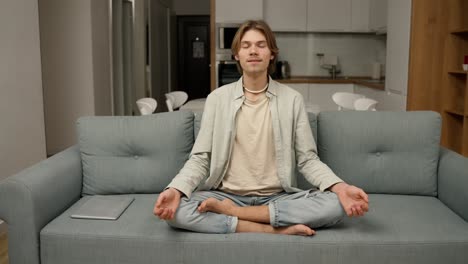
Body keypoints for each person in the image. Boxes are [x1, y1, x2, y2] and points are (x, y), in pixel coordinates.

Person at [153, 20, 369, 236]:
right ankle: (269, 228)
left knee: (336, 205)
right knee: (177, 211)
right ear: (236, 54)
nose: (253, 51)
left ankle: (236, 214)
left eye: (261, 45)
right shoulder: (217, 99)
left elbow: (307, 160)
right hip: (225, 194)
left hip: (277, 197)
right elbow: (201, 158)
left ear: (272, 53)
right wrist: (175, 189)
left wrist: (341, 188)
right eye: (246, 46)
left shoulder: (292, 100)